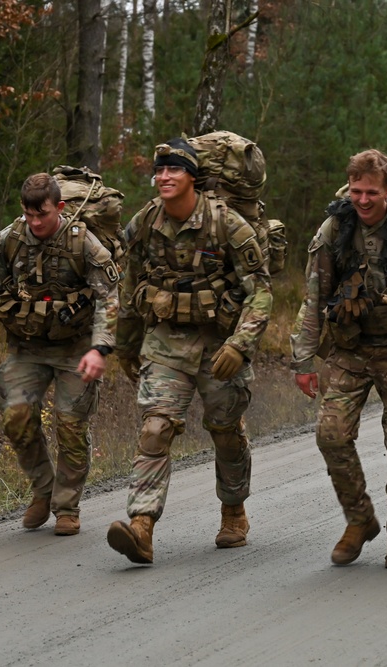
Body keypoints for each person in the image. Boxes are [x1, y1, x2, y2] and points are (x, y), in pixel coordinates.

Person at [107, 138, 272, 564]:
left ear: (192, 178)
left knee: (225, 431)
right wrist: (124, 344)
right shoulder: (144, 223)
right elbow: (129, 287)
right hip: (166, 342)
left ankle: (234, 510)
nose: (164, 177)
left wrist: (240, 344)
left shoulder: (228, 225)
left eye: (174, 170)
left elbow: (261, 293)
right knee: (155, 428)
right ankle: (141, 525)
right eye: (159, 170)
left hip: (220, 345)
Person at [290, 149, 387, 570]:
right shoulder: (335, 228)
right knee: (331, 435)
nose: (362, 200)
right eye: (356, 191)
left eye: (371, 193)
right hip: (350, 351)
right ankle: (360, 519)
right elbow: (314, 295)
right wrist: (303, 361)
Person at [0, 173, 120, 536]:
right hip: (28, 348)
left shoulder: (84, 244)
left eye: (43, 215)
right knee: (15, 416)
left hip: (75, 348)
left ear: (60, 208)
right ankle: (43, 488)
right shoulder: (9, 240)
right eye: (29, 214)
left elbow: (109, 298)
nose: (35, 222)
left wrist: (100, 348)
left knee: (69, 424)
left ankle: (67, 506)